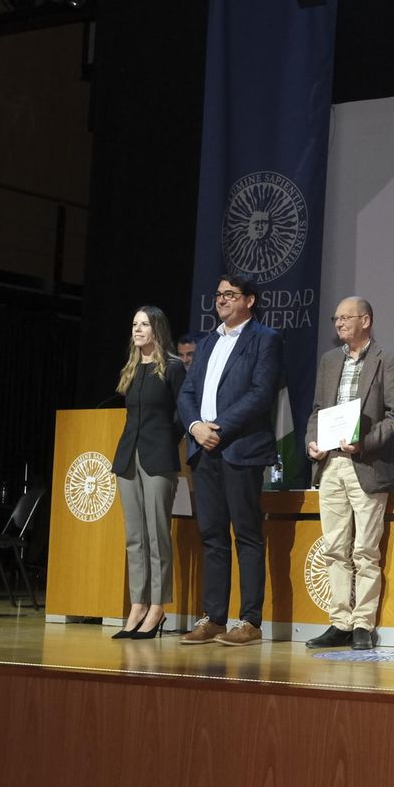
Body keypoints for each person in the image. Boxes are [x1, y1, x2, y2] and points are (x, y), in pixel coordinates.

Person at [176, 274, 284, 646]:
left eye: (230, 294)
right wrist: (194, 427)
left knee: (248, 534)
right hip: (203, 450)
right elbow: (187, 391)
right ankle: (215, 618)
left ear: (249, 300)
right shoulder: (207, 343)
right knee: (212, 535)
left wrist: (217, 428)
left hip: (239, 448)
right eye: (218, 294)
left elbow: (260, 394)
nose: (221, 300)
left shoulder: (264, 340)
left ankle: (250, 620)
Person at [303, 296, 394, 651]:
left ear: (366, 320)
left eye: (346, 318)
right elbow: (318, 410)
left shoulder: (387, 360)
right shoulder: (330, 360)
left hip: (367, 465)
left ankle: (363, 623)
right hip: (330, 464)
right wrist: (312, 443)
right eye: (336, 318)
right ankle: (339, 622)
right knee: (334, 548)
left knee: (364, 549)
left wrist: (363, 443)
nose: (339, 323)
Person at [109, 305, 186, 640]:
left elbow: (184, 414)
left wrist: (166, 441)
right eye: (134, 324)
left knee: (157, 535)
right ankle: (137, 604)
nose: (137, 329)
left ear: (157, 328)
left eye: (144, 324)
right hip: (128, 458)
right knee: (134, 538)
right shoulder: (130, 368)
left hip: (158, 459)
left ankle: (158, 606)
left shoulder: (172, 367)